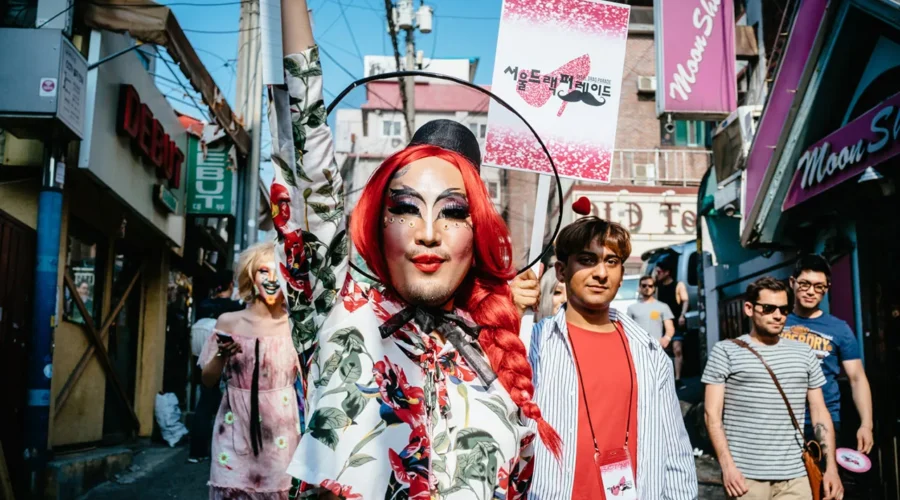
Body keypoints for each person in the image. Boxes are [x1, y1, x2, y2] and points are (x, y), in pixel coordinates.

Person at [270, 2, 559, 497]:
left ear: (479, 233)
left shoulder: (497, 359)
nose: (429, 232)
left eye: (452, 212)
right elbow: (309, 158)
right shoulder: (339, 308)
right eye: (406, 207)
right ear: (377, 222)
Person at [522, 217, 696, 499]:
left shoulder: (649, 353)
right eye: (588, 260)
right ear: (562, 271)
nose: (601, 273)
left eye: (611, 261)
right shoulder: (533, 345)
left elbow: (675, 449)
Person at [703, 277, 843, 500]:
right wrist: (728, 467)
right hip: (746, 479)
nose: (778, 315)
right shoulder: (725, 351)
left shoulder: (804, 353)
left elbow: (819, 411)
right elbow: (712, 415)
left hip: (796, 479)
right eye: (768, 308)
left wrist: (831, 469)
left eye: (783, 309)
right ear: (749, 308)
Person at [199, 243, 299, 499]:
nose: (271, 279)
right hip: (233, 431)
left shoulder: (295, 327)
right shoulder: (228, 322)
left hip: (280, 435)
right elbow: (208, 380)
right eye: (263, 271)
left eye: (278, 272)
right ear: (251, 276)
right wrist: (222, 354)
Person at [782, 255, 873, 454]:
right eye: (805, 284)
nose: (811, 292)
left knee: (825, 482)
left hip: (824, 422)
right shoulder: (776, 323)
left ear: (827, 288)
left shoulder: (839, 329)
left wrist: (866, 424)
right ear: (792, 283)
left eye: (819, 286)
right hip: (779, 422)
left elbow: (857, 378)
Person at [188, 271, 244, 464]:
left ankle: (196, 451)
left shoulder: (204, 306)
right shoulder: (234, 308)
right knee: (229, 407)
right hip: (226, 363)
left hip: (201, 359)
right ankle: (230, 452)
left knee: (204, 404)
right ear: (230, 284)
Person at [655, 257, 688, 385]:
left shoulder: (678, 285)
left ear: (667, 272)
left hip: (675, 321)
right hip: (662, 323)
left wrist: (682, 315)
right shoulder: (657, 287)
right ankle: (665, 377)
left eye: (659, 272)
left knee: (677, 349)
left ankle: (678, 378)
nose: (658, 274)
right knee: (663, 350)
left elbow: (685, 300)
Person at [627, 275, 676, 349]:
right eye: (644, 286)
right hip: (638, 347)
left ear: (654, 288)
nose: (647, 288)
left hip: (656, 347)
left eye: (650, 286)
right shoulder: (632, 308)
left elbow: (670, 327)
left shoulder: (663, 306)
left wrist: (666, 338)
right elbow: (628, 328)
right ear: (640, 288)